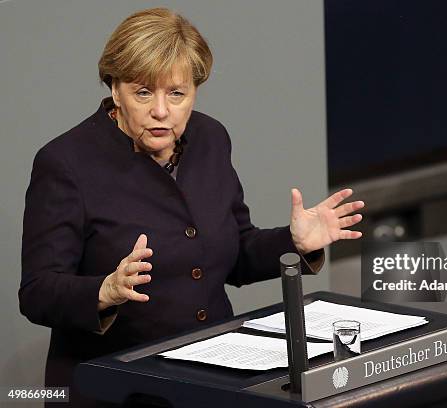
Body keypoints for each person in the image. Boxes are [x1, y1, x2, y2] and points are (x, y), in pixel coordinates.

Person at [19, 7, 364, 407]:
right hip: (117, 390)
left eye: (177, 93)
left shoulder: (210, 138)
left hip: (209, 381)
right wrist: (104, 290)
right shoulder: (66, 163)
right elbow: (37, 292)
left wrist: (297, 243)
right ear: (115, 89)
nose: (161, 110)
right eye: (143, 92)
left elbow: (236, 254)